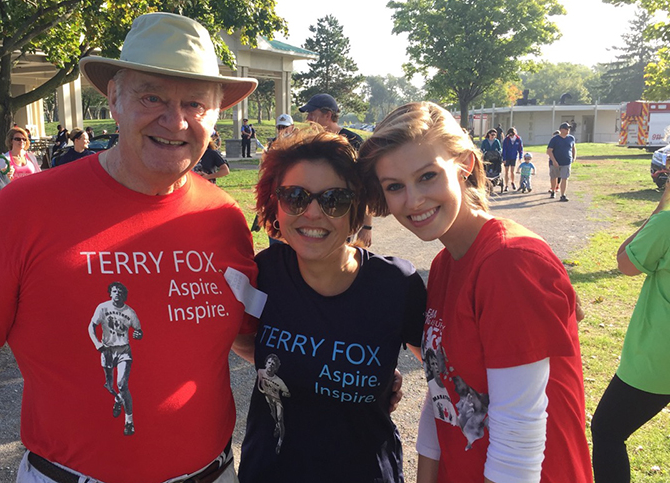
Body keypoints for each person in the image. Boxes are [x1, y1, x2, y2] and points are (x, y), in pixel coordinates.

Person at [0, 12, 259, 483]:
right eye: (151, 96)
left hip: (213, 473)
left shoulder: (224, 218)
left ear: (216, 114)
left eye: (196, 104)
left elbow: (245, 338)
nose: (175, 120)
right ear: (114, 99)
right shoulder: (25, 209)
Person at [358, 101, 592, 483]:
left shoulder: (509, 262)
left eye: (428, 176)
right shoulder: (446, 264)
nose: (413, 200)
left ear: (464, 164)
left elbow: (519, 442)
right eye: (395, 187)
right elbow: (442, 393)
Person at [237, 128, 426, 482]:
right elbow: (239, 336)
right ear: (275, 206)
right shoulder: (262, 275)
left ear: (357, 212)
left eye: (334, 199)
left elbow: (444, 374)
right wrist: (315, 362)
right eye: (295, 197)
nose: (312, 213)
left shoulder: (396, 285)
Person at [591, 179, 670, 483]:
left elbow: (625, 262)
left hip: (656, 358)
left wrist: (661, 206)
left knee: (607, 430)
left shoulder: (665, 226)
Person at [299, 93, 372, 247]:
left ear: (328, 115)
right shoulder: (310, 142)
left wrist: (366, 226)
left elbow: (366, 187)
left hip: (341, 216)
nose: (308, 119)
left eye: (312, 114)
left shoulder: (353, 142)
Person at [88, 281, 143, 437]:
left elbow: (139, 331)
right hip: (107, 351)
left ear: (124, 295)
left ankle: (129, 422)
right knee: (109, 385)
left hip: (124, 350)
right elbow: (91, 326)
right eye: (114, 291)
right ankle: (118, 399)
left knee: (122, 384)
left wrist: (138, 335)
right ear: (110, 293)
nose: (117, 293)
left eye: (120, 291)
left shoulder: (130, 312)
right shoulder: (102, 308)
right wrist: (97, 343)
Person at [547, 122, 576, 201]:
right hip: (555, 162)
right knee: (554, 177)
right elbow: (549, 151)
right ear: (561, 130)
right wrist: (554, 161)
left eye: (569, 129)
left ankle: (563, 195)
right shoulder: (555, 139)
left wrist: (573, 157)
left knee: (565, 178)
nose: (568, 130)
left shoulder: (571, 138)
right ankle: (553, 190)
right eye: (566, 129)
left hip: (566, 162)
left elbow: (573, 148)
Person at [501, 127, 523, 191]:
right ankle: (506, 185)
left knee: (512, 171)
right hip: (507, 157)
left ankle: (513, 182)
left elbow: (520, 149)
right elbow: (504, 149)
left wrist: (520, 157)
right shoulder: (506, 140)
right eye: (510, 135)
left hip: (513, 157)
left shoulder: (518, 139)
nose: (511, 136)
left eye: (512, 134)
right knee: (506, 171)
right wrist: (504, 158)